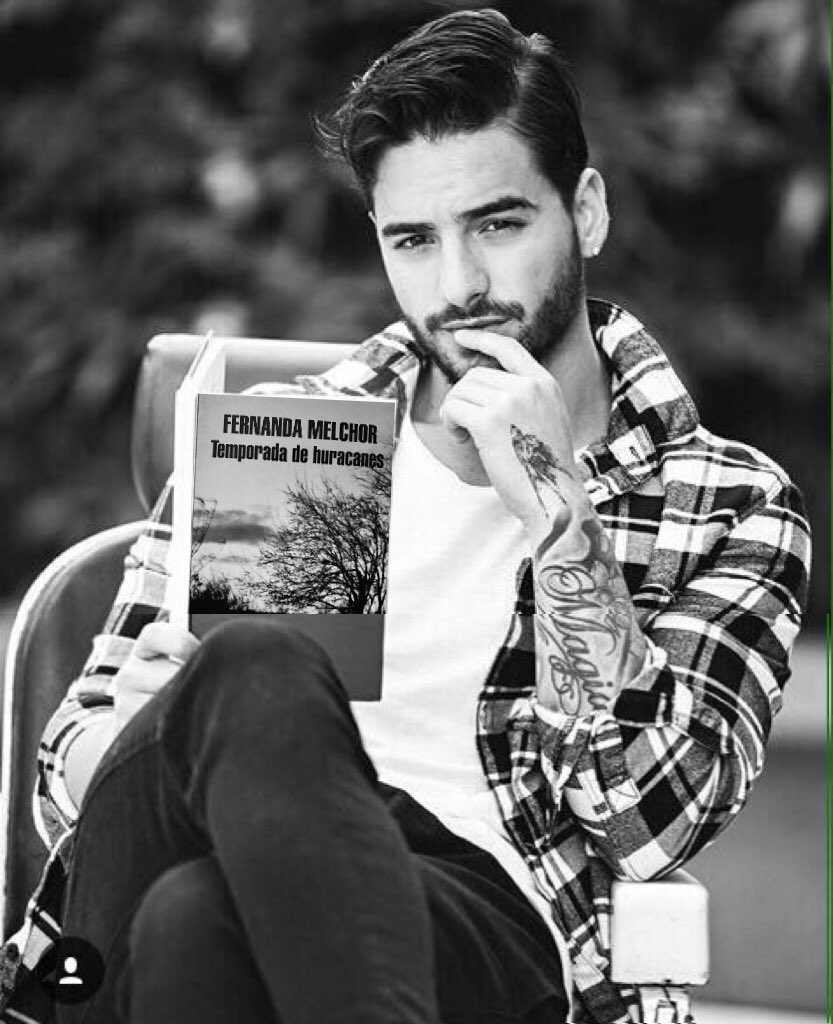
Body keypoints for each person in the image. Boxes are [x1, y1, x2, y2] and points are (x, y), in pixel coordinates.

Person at [0, 9, 810, 1024]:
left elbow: (647, 825)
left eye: (497, 225)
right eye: (414, 241)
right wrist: (144, 731)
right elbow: (67, 788)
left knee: (195, 913)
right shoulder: (295, 443)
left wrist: (558, 509)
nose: (458, 286)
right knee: (237, 721)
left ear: (586, 212)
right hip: (176, 890)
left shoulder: (719, 499)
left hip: (477, 927)